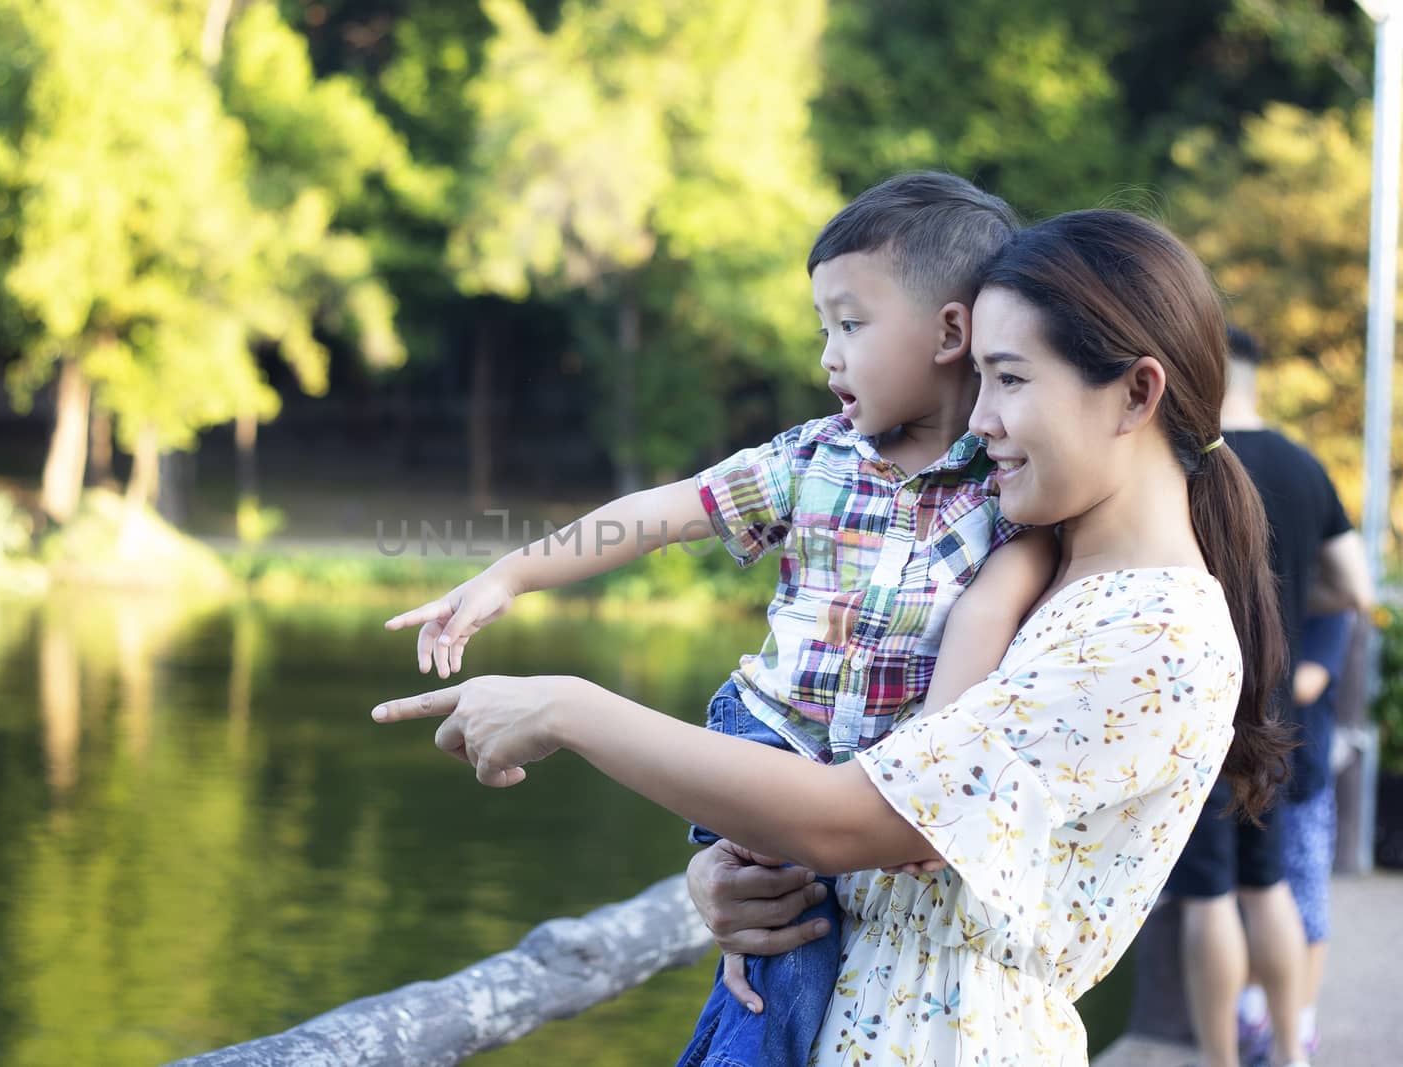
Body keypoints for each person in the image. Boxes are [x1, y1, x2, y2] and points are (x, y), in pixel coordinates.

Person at [374, 209, 1289, 1065]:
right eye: (980, 379)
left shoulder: (1150, 633)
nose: (978, 420)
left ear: (1136, 393)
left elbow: (869, 821)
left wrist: (565, 706)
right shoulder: (1029, 575)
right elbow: (874, 825)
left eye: (1010, 379)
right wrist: (726, 875)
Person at [1165, 326, 1371, 1067]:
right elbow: (1355, 587)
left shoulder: (1185, 465)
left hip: (1199, 707)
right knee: (1268, 883)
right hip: (1275, 714)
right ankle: (1292, 1052)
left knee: (1210, 897)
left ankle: (1222, 1061)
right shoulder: (1303, 465)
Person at [1237, 610, 1356, 1065]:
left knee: (1305, 906)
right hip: (1267, 778)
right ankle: (1253, 1013)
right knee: (1258, 894)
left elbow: (1306, 684)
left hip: (1305, 783)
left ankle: (1300, 1023)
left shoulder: (1331, 615)